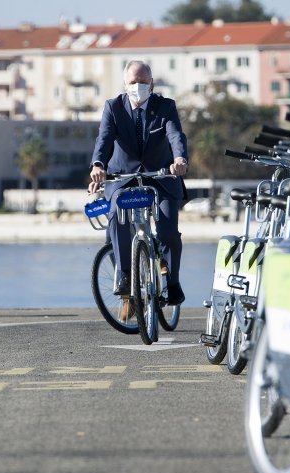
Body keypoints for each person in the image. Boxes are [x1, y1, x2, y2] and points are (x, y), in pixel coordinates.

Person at [89, 60, 188, 317]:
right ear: (125, 84)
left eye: (143, 82)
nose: (138, 87)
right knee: (116, 222)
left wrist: (179, 160)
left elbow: (175, 135)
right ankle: (125, 281)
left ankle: (172, 282)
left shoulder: (165, 106)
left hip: (162, 176)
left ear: (152, 83)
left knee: (168, 231)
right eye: (133, 82)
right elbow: (104, 139)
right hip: (124, 176)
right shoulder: (113, 107)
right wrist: (98, 165)